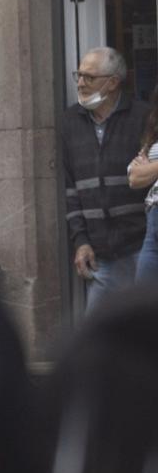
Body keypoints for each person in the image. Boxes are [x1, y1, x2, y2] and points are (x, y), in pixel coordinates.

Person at [65, 46, 152, 297]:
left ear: (113, 82)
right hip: (100, 256)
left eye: (89, 77)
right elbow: (70, 190)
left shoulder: (142, 117)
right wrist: (80, 241)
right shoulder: (70, 122)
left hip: (142, 247)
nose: (80, 83)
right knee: (99, 333)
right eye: (78, 75)